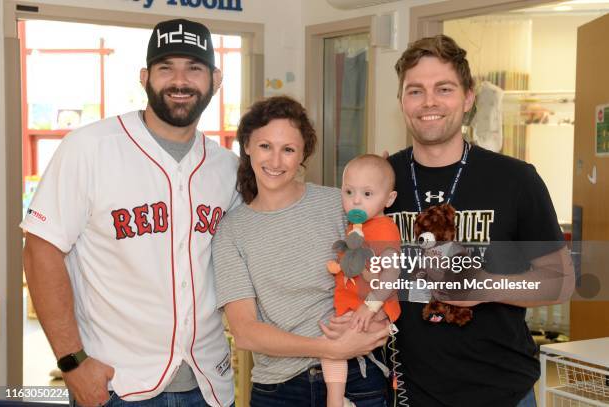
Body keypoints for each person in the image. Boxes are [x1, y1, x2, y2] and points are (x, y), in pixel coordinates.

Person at [21, 19, 239, 407]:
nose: (180, 80)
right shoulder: (90, 148)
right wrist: (72, 364)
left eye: (194, 68)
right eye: (165, 67)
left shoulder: (228, 168)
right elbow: (41, 250)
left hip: (208, 385)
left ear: (215, 79)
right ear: (145, 77)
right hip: (114, 384)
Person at [384, 34, 575, 407]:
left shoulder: (516, 180)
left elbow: (561, 282)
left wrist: (487, 287)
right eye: (415, 91)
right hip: (404, 393)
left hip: (501, 392)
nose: (429, 102)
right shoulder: (380, 182)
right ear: (402, 101)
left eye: (444, 88)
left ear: (468, 97)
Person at [212, 96, 392, 407]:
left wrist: (379, 322)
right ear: (247, 147)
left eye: (289, 150)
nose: (276, 161)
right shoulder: (232, 230)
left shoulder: (340, 204)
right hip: (279, 390)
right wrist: (328, 348)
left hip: (356, 380)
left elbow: (388, 269)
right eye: (265, 146)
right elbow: (245, 333)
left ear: (302, 155)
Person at [322, 154, 402, 407]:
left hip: (373, 306)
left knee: (331, 345)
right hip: (354, 304)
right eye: (348, 191)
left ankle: (335, 401)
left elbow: (391, 274)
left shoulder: (384, 228)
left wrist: (370, 306)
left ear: (388, 199)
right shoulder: (357, 226)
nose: (355, 200)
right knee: (334, 341)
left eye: (367, 194)